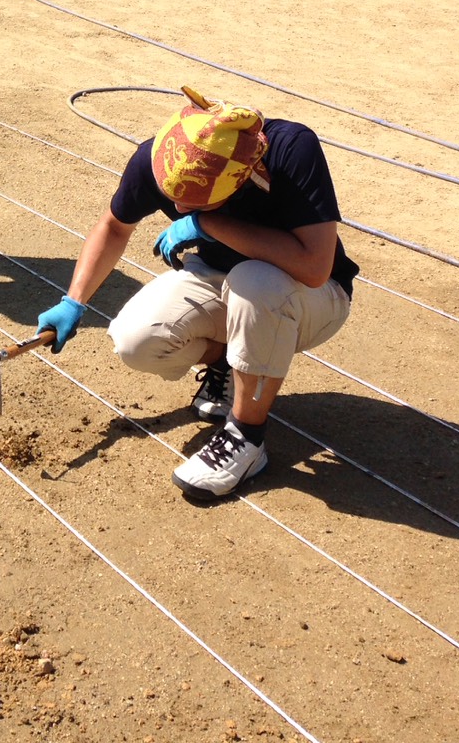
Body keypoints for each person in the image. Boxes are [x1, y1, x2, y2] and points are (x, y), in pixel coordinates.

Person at [36, 87, 357, 502]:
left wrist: (211, 226)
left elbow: (315, 267)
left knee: (254, 282)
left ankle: (247, 437)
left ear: (239, 179)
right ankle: (230, 361)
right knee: (136, 340)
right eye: (173, 198)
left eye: (195, 202)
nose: (177, 207)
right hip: (223, 279)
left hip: (311, 293)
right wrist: (74, 300)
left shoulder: (292, 150)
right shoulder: (165, 160)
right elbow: (115, 227)